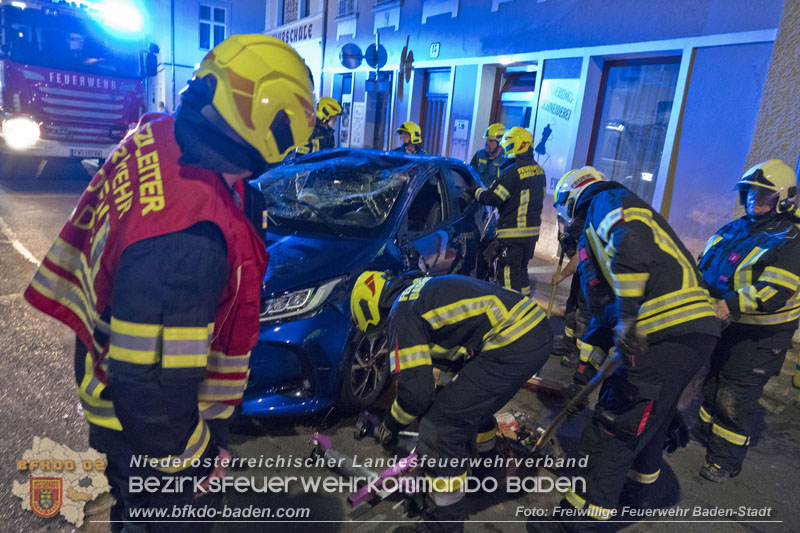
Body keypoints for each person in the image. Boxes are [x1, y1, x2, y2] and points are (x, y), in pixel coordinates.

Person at [23, 35, 315, 531]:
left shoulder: (158, 134)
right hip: (152, 435)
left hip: (110, 392)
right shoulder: (189, 243)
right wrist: (196, 457)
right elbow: (150, 385)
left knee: (132, 515)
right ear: (273, 132)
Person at [530, 166, 720, 532]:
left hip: (661, 332)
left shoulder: (606, 201)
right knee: (649, 419)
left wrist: (628, 319)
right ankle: (635, 496)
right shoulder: (593, 243)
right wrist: (581, 380)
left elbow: (631, 245)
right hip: (688, 336)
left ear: (572, 200)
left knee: (613, 425)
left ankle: (576, 522)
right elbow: (603, 318)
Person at [351, 272, 553, 532]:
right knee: (465, 407)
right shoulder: (417, 294)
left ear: (368, 310)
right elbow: (451, 363)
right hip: (530, 330)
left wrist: (390, 425)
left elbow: (415, 394)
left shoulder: (400, 315)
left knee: (440, 427)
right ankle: (483, 473)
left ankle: (442, 525)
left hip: (515, 339)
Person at [694, 159, 800, 482]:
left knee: (735, 394)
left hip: (761, 336)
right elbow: (706, 263)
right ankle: (706, 434)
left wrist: (730, 303)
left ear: (783, 199)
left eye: (764, 194)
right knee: (713, 382)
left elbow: (775, 290)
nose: (754, 199)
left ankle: (726, 459)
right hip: (727, 325)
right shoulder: (737, 227)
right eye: (750, 193)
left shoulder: (791, 237)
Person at [472, 126, 545, 296]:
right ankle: (525, 306)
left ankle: (512, 314)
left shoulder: (512, 172)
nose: (505, 150)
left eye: (508, 146)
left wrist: (475, 192)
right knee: (521, 272)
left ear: (516, 146)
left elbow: (493, 198)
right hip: (531, 234)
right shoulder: (539, 170)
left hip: (513, 234)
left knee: (508, 276)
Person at [470, 122, 507, 188]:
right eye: (487, 139)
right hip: (477, 194)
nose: (487, 143)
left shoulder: (505, 160)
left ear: (500, 144)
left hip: (493, 196)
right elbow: (470, 175)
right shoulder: (479, 155)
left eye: (491, 140)